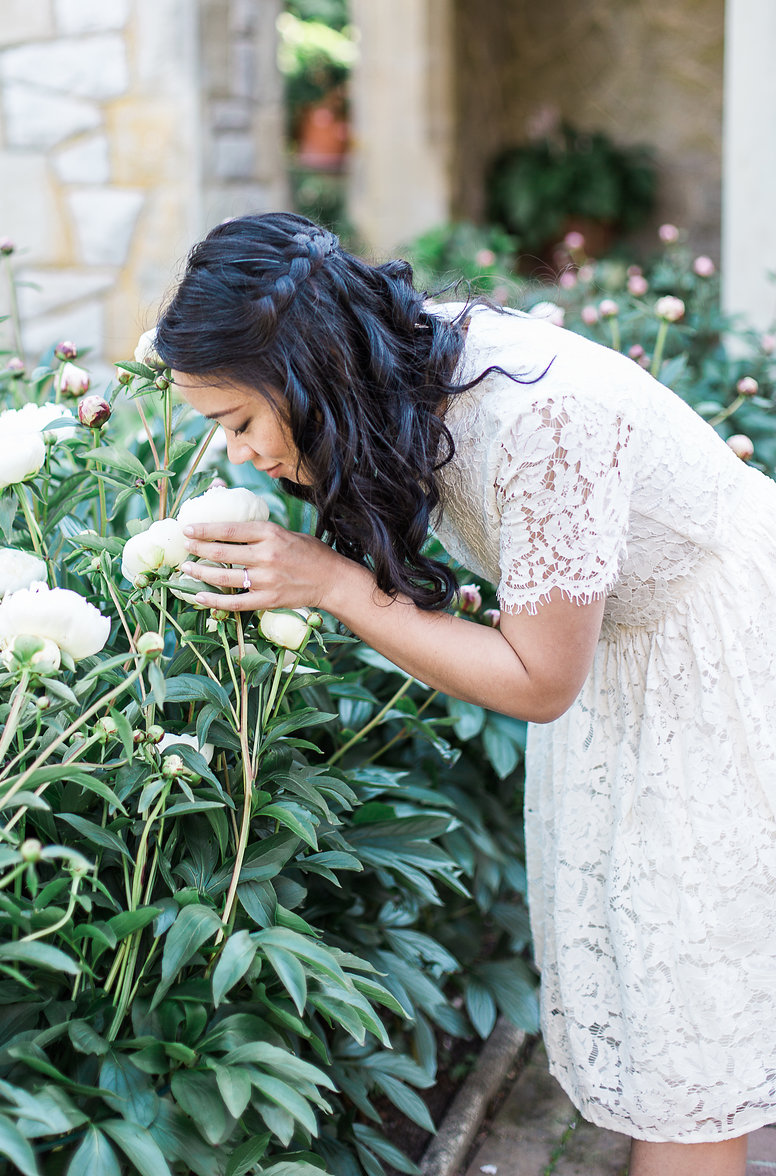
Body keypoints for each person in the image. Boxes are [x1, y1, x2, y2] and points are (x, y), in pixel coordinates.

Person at [153, 210, 776, 1176]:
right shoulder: (394, 363)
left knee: (686, 1012)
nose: (238, 452)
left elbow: (538, 681)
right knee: (657, 980)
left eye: (238, 421)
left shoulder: (544, 419)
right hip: (632, 659)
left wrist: (334, 585)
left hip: (719, 652)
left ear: (312, 374)